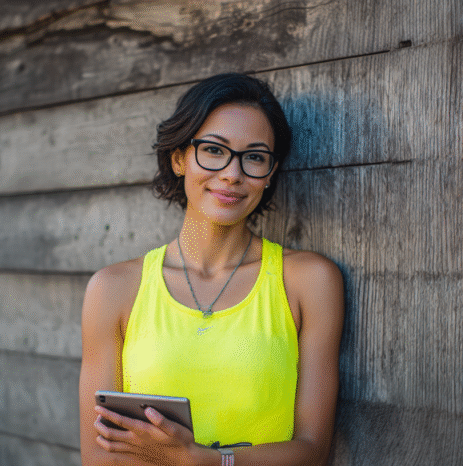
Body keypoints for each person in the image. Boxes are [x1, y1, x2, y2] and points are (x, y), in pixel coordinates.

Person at [79, 73, 344, 465]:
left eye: (254, 157)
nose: (233, 174)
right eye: (214, 150)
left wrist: (207, 461)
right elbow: (100, 458)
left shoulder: (308, 281)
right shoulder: (114, 289)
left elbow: (313, 450)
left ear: (270, 174)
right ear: (179, 158)